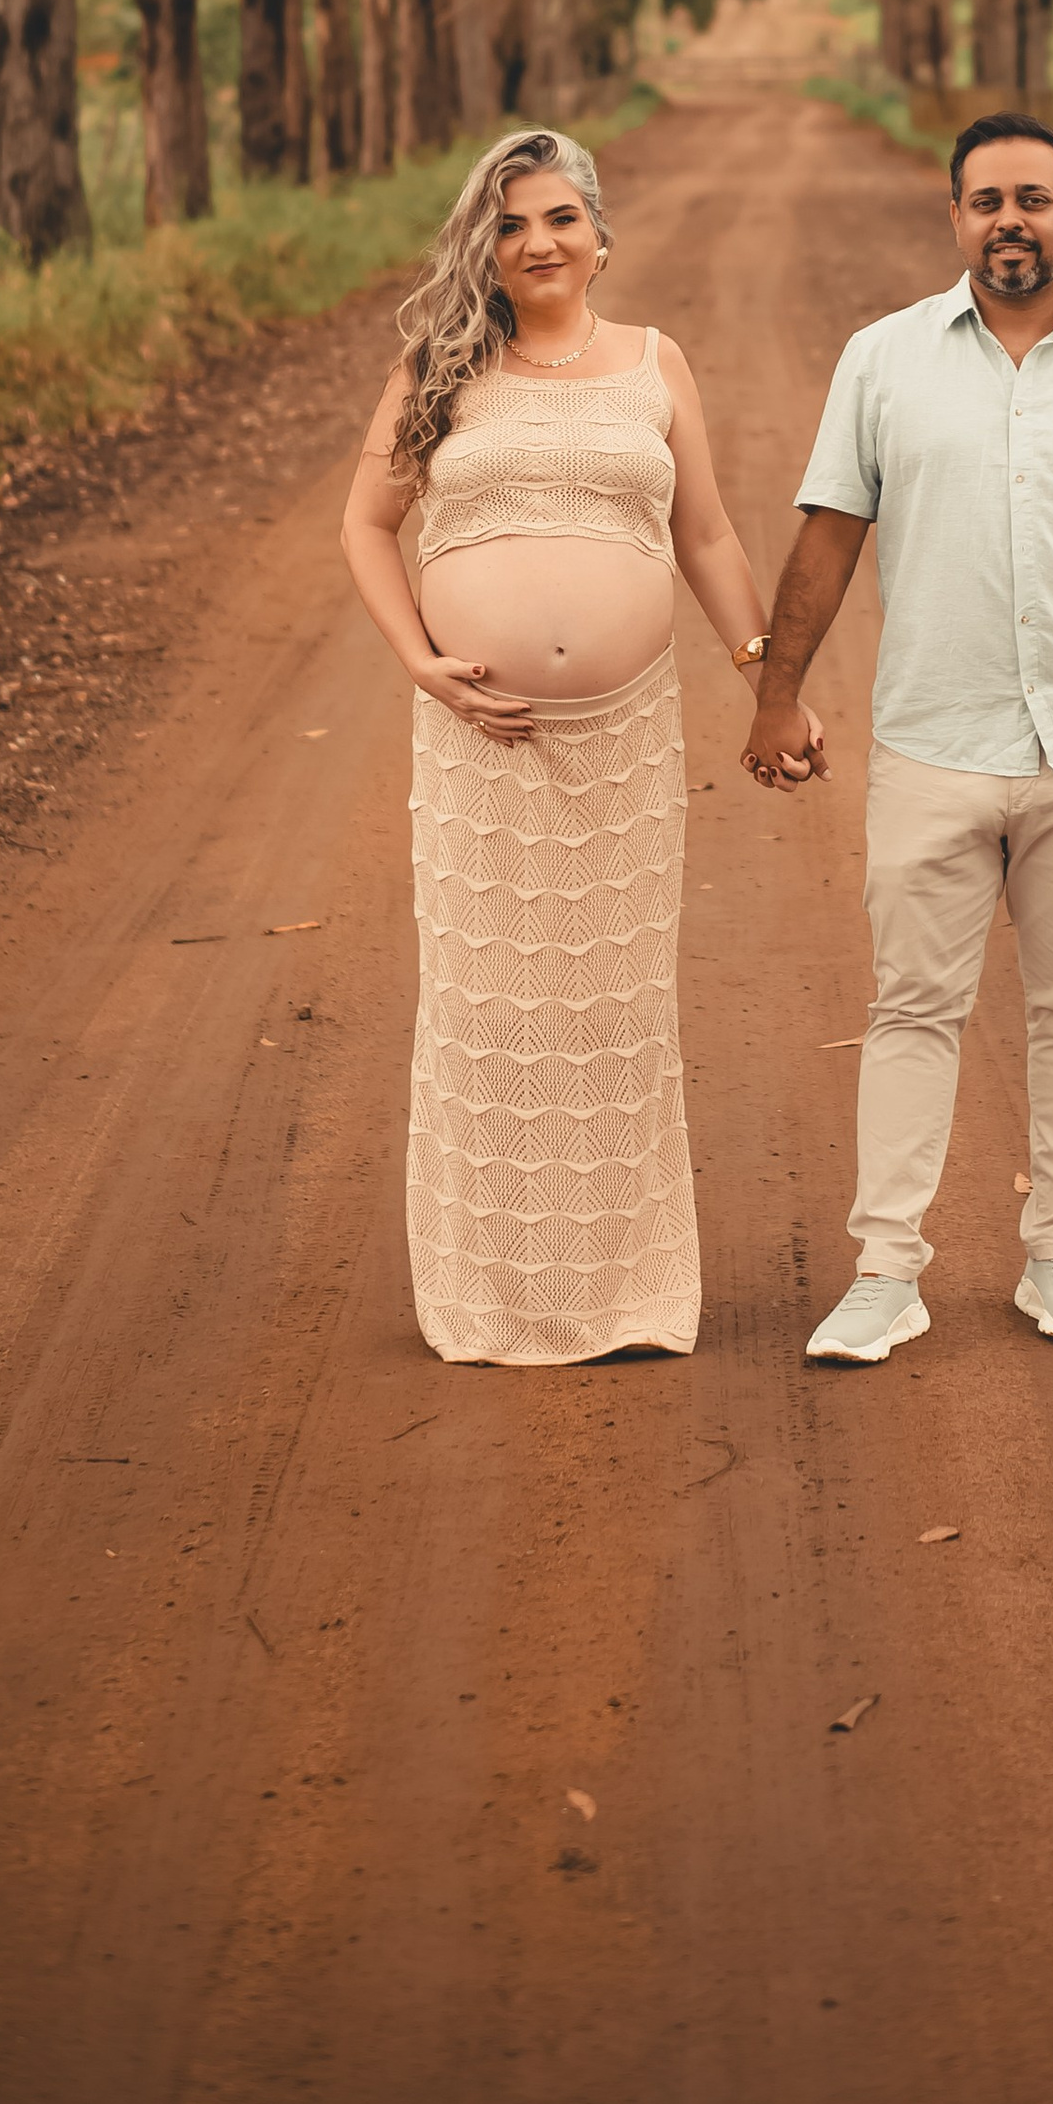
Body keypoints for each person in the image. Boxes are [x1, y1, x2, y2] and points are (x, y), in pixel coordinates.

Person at [743, 110, 1053, 1363]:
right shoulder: (883, 359)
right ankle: (884, 1271)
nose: (1010, 220)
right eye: (984, 200)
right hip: (930, 746)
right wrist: (774, 690)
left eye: (1032, 198)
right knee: (912, 1007)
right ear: (953, 218)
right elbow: (830, 536)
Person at [343, 127, 818, 1368]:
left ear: (600, 233)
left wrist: (771, 681)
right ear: (482, 249)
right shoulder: (439, 367)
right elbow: (364, 523)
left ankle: (622, 1297)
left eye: (557, 217)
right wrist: (417, 661)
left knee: (611, 1012)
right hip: (480, 747)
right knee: (488, 1012)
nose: (536, 242)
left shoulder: (656, 364)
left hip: (622, 744)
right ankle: (492, 1300)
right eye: (508, 225)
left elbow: (707, 536)